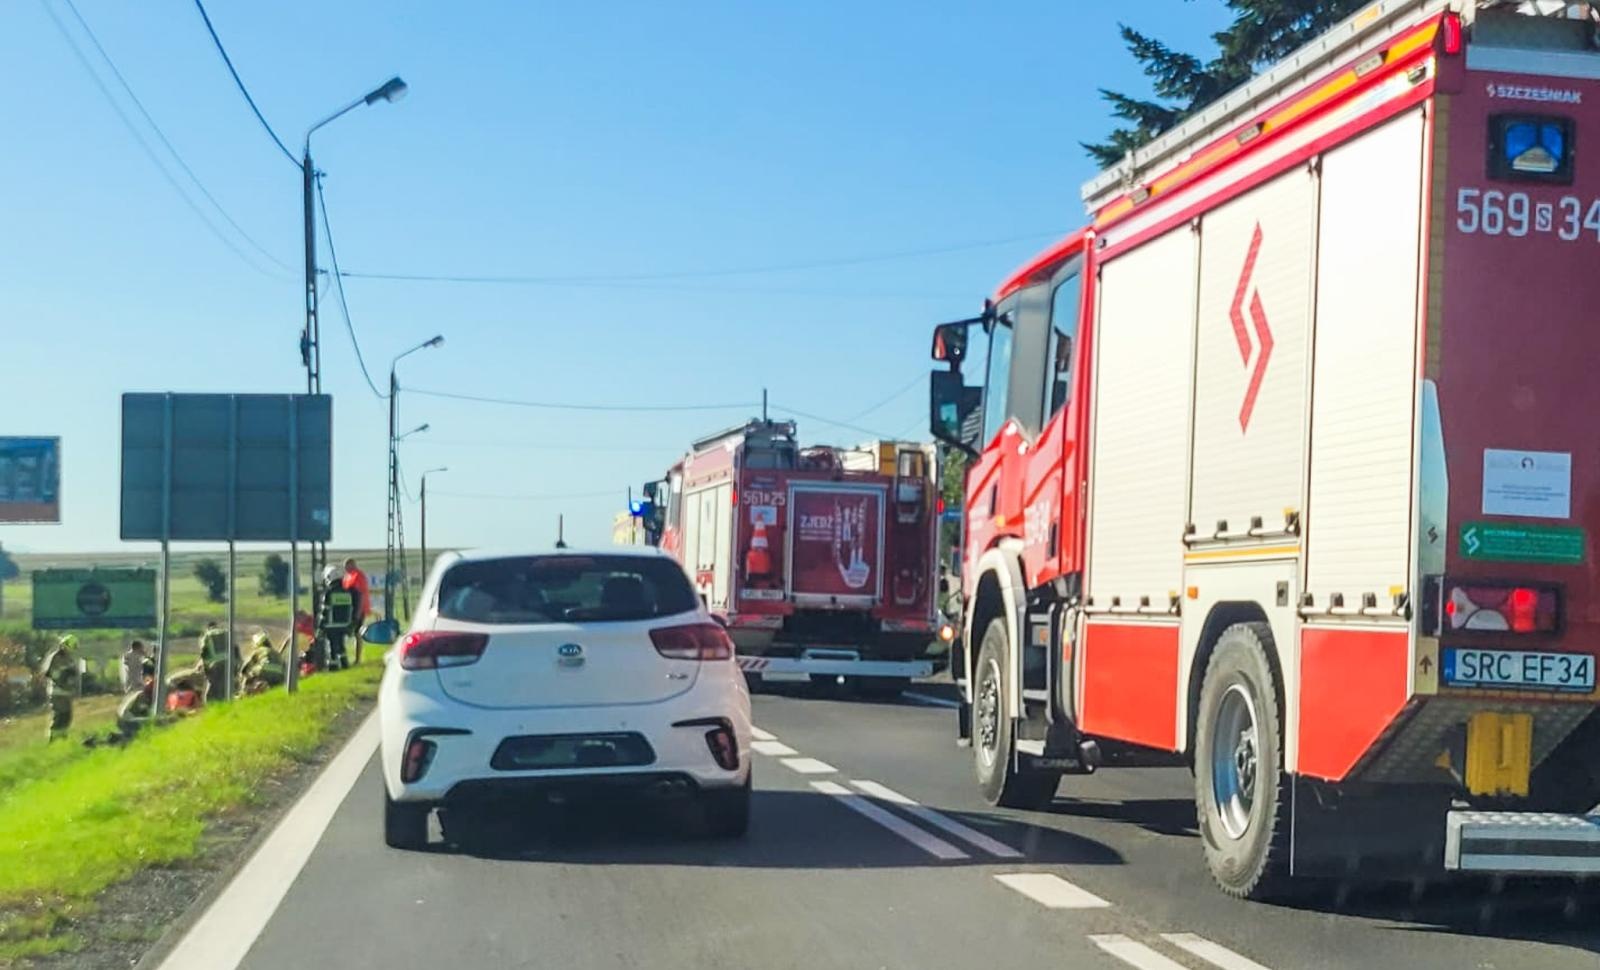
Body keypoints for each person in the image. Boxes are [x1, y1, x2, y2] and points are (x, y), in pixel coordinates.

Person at [40, 634, 80, 742]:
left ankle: (62, 739)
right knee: (59, 717)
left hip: (66, 693)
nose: (72, 650)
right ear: (65, 645)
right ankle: (52, 740)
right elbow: (48, 673)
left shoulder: (69, 658)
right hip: (57, 692)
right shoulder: (55, 657)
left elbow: (74, 673)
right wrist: (62, 675)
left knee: (67, 717)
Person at [317, 566, 356, 670]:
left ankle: (333, 666)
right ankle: (344, 663)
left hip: (331, 625)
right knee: (341, 644)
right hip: (344, 624)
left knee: (332, 646)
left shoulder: (328, 593)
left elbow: (324, 611)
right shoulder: (347, 592)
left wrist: (320, 626)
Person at [342, 558, 372, 664]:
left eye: (347, 565)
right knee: (351, 632)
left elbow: (361, 594)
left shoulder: (358, 576)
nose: (345, 568)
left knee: (357, 632)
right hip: (350, 608)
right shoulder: (347, 576)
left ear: (352, 565)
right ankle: (349, 656)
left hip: (359, 608)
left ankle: (358, 658)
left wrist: (359, 611)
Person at [199, 622, 236, 701]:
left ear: (208, 628)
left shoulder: (207, 635)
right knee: (227, 684)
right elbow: (235, 648)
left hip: (216, 664)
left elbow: (203, 652)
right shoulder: (226, 632)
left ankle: (210, 704)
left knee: (212, 687)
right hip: (229, 662)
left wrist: (205, 668)